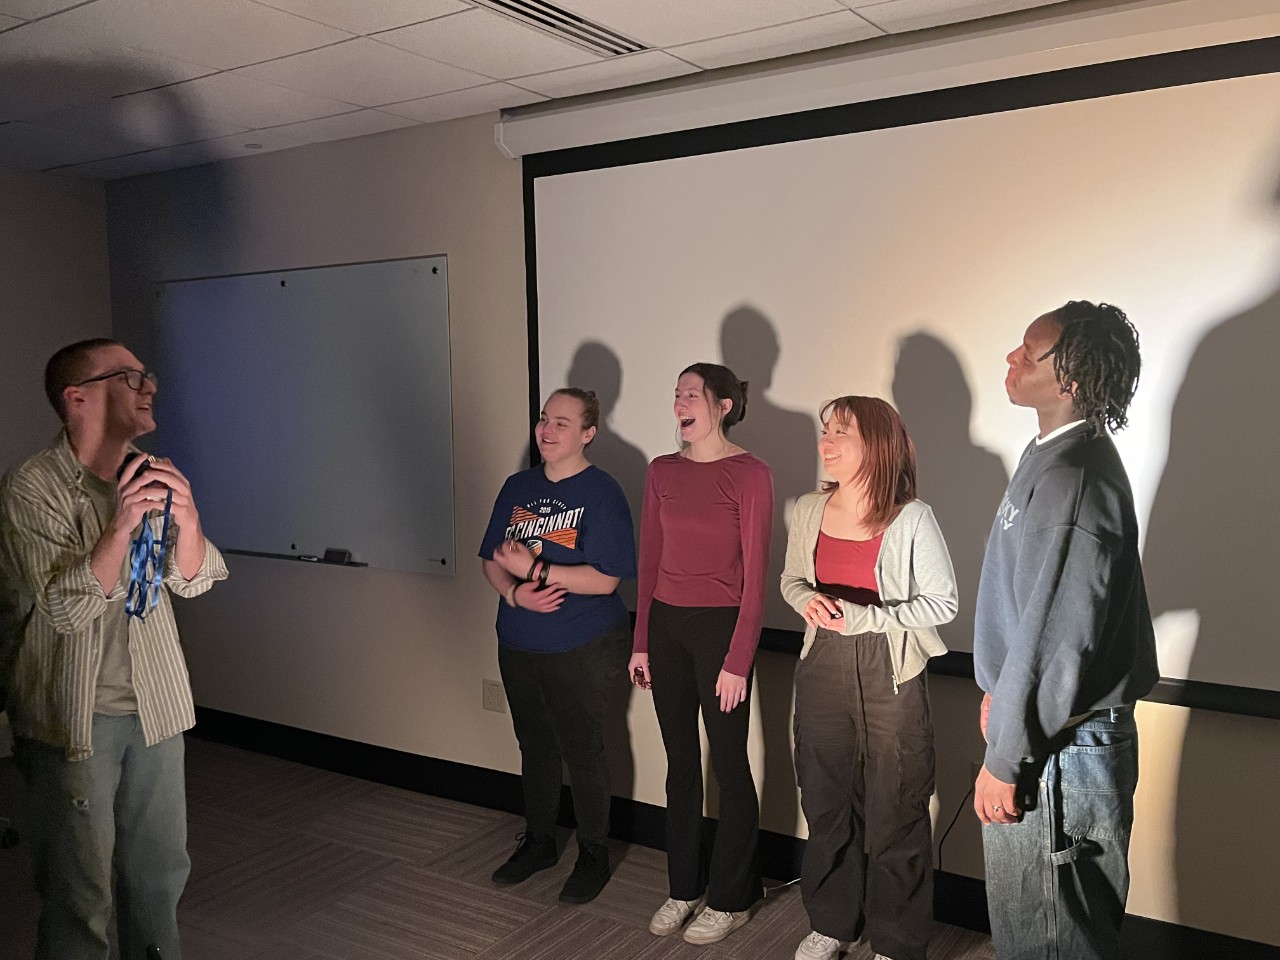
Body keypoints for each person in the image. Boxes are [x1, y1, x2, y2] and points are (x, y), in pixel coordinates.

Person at [0, 338, 228, 960]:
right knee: (82, 894)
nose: (148, 386)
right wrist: (122, 524)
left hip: (155, 710)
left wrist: (189, 515)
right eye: (130, 377)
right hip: (74, 722)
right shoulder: (31, 488)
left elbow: (195, 577)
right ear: (78, 399)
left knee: (158, 879)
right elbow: (66, 609)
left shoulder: (149, 471)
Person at [973, 301, 1159, 960]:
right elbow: (1032, 613)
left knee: (1051, 939)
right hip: (1044, 733)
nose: (1012, 358)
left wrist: (1007, 755)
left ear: (1071, 376)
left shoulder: (1075, 479)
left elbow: (1058, 641)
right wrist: (1002, 701)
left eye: (1030, 349)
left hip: (1062, 750)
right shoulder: (1051, 458)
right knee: (1038, 929)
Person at [781, 396, 958, 960]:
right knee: (826, 797)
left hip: (892, 667)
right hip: (824, 663)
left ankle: (897, 943)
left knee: (897, 805)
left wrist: (867, 616)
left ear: (876, 444)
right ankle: (832, 923)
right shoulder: (810, 508)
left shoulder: (911, 517)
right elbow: (789, 580)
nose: (826, 443)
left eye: (841, 433)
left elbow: (944, 603)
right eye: (824, 431)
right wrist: (807, 601)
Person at [629, 362, 774, 946]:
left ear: (723, 406)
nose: (680, 404)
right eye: (676, 394)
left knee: (730, 763)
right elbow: (648, 562)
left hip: (721, 631)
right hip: (665, 625)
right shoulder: (661, 470)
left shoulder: (751, 474)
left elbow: (757, 577)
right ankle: (683, 888)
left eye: (691, 394)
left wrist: (739, 659)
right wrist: (640, 639)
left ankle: (734, 898)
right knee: (680, 760)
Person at [479, 387, 636, 905]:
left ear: (588, 434)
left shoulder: (602, 491)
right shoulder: (518, 485)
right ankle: (540, 842)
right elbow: (492, 558)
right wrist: (514, 590)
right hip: (520, 639)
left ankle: (593, 852)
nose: (546, 430)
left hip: (584, 643)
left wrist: (537, 569)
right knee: (535, 746)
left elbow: (608, 579)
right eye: (545, 420)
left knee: (583, 750)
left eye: (562, 423)